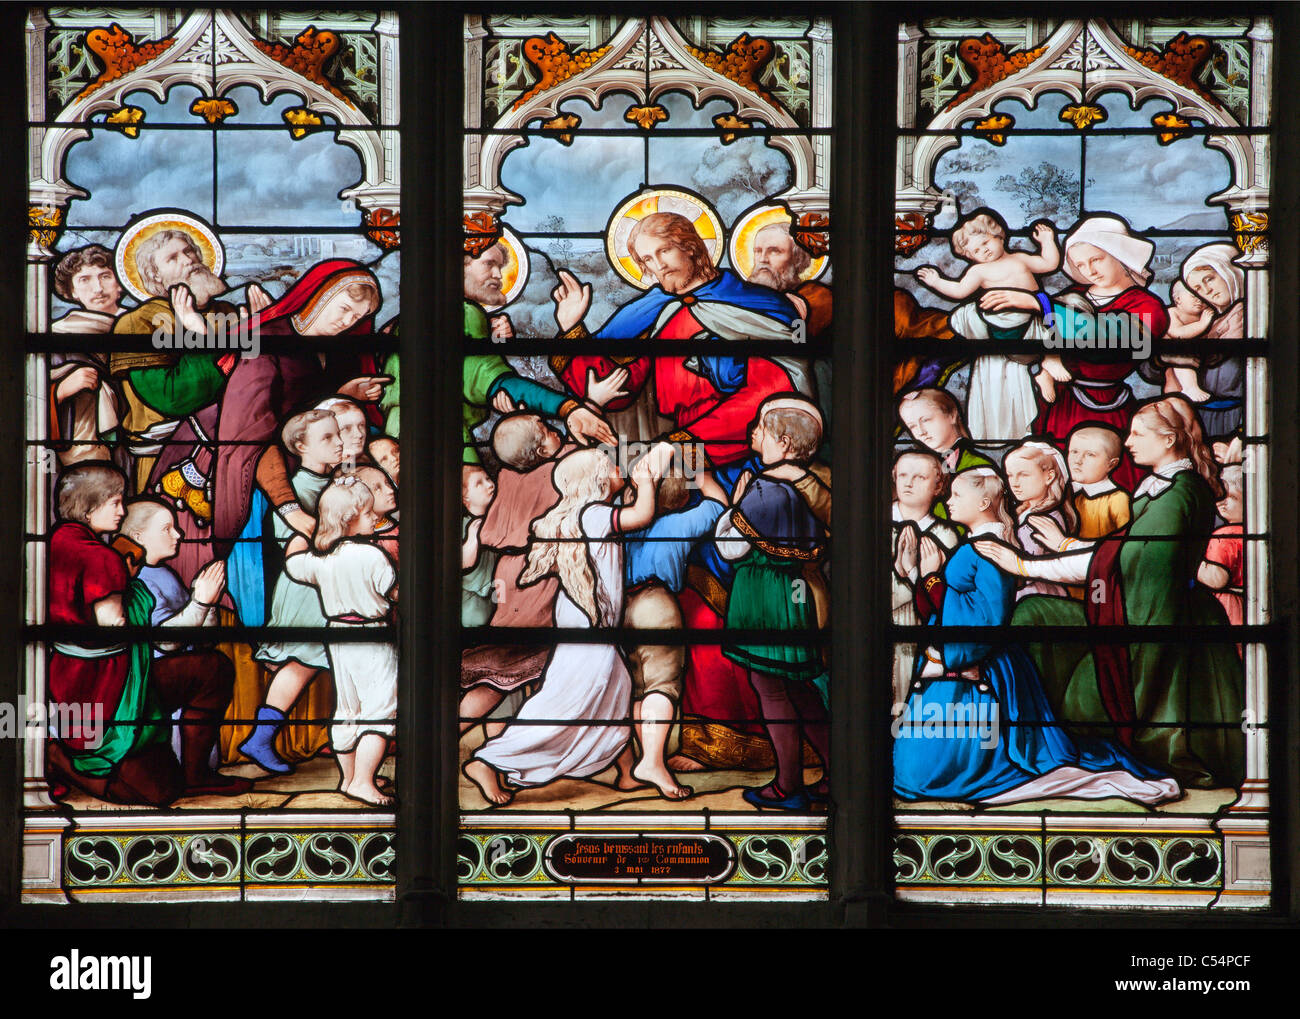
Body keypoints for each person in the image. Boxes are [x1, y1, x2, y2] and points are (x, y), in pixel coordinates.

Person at [977, 396, 1245, 788]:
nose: (1129, 440)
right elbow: (1117, 549)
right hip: (1132, 607)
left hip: (1151, 619)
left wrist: (1022, 565)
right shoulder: (1160, 489)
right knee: (1034, 612)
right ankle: (1040, 741)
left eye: (1137, 433)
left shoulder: (1178, 495)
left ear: (1169, 439)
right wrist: (1065, 546)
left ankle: (1069, 745)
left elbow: (1122, 564)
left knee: (1079, 697)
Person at [894, 467, 1180, 806]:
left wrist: (929, 579)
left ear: (985, 501)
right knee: (910, 773)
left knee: (922, 775)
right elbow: (942, 613)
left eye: (957, 495)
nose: (948, 501)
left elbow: (985, 620)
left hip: (976, 671)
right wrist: (917, 574)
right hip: (956, 665)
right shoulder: (976, 547)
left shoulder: (988, 550)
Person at [463, 444, 671, 806]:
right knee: (566, 700)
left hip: (588, 619)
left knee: (615, 688)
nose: (617, 467)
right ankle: (488, 760)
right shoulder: (592, 514)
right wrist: (647, 482)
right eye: (609, 465)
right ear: (594, 481)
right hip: (587, 623)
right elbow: (640, 516)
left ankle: (625, 773)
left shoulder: (586, 513)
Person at [45, 465, 248, 805]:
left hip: (79, 680)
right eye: (115, 503)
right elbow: (122, 634)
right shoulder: (101, 558)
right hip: (113, 687)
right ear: (89, 506)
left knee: (211, 669)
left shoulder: (55, 543)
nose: (121, 511)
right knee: (161, 791)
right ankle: (61, 760)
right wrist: (197, 601)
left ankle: (195, 774)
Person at [979, 214, 1170, 490]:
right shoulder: (1073, 296)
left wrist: (1040, 304)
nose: (1089, 270)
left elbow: (1111, 337)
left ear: (1119, 255)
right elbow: (1034, 338)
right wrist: (1010, 324)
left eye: (1096, 259)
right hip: (1059, 405)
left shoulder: (1146, 306)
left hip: (1109, 412)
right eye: (1081, 264)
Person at [717, 396, 830, 809]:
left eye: (759, 429)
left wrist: (733, 504)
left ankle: (786, 786)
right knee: (798, 689)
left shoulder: (764, 491)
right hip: (795, 597)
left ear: (783, 442)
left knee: (771, 690)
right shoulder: (810, 487)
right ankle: (836, 772)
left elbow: (729, 549)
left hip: (763, 599)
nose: (752, 435)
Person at [239, 409, 345, 774]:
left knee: (334, 662)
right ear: (300, 446)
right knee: (300, 664)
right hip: (305, 593)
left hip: (328, 588)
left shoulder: (335, 484)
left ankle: (340, 736)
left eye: (338, 435)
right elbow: (294, 546)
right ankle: (261, 738)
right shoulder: (296, 491)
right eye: (328, 438)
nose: (339, 443)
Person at [284, 475, 398, 807]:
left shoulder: (325, 561)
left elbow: (294, 565)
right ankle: (363, 782)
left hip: (338, 636)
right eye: (367, 513)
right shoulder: (372, 557)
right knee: (382, 710)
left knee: (348, 707)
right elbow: (393, 591)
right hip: (372, 636)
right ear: (350, 519)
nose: (374, 518)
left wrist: (302, 532)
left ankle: (349, 778)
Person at [916, 211, 1060, 443]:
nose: (983, 250)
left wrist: (1048, 241)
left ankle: (1044, 367)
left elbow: (1050, 263)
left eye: (985, 242)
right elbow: (959, 292)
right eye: (975, 251)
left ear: (1000, 236)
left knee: (1052, 337)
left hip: (1033, 322)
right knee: (1004, 370)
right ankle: (1037, 370)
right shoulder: (978, 272)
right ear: (969, 257)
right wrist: (936, 281)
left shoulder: (1020, 259)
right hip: (1000, 328)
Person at [1140, 243, 1246, 443]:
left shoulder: (1251, 316)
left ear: (1229, 272)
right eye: (1197, 288)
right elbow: (1148, 366)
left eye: (1210, 279)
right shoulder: (1204, 319)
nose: (1207, 290)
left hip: (1236, 418)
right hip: (1196, 415)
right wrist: (1162, 359)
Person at [892, 451, 960, 705]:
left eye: (919, 477)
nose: (908, 483)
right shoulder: (873, 524)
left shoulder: (945, 535)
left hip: (921, 632)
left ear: (939, 485)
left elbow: (946, 596)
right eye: (902, 475)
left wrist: (911, 574)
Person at [1002, 440, 1077, 601]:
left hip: (1037, 597)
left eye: (1023, 475)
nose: (1014, 483)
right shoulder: (1024, 513)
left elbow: (1023, 570)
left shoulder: (1043, 520)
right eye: (1010, 475)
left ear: (1049, 476)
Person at [1199, 463, 1244, 631]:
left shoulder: (1225, 535)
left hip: (1226, 607)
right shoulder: (1246, 535)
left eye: (1230, 497)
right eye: (1219, 497)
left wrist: (1195, 565)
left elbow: (1217, 579)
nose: (1221, 503)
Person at [52, 244, 127, 332]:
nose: (98, 289)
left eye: (105, 277)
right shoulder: (61, 330)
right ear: (72, 290)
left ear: (119, 283)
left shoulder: (138, 322)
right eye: (84, 280)